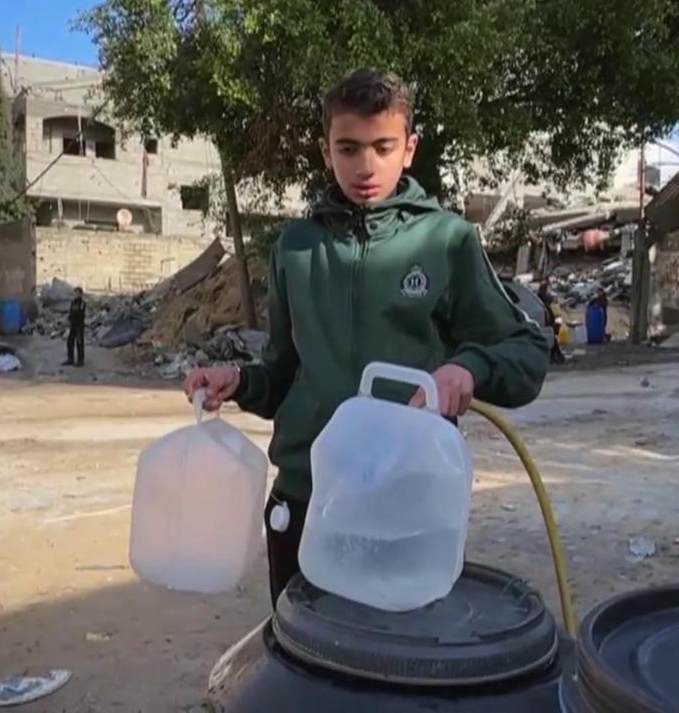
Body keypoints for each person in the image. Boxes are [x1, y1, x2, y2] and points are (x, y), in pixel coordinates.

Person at [181, 69, 549, 606]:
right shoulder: (295, 249)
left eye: (383, 146)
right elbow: (284, 374)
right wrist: (237, 381)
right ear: (326, 150)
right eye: (348, 148)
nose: (366, 166)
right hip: (305, 501)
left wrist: (466, 369)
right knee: (308, 668)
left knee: (400, 674)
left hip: (405, 509)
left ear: (410, 148)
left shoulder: (447, 241)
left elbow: (527, 354)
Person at [64, 287, 86, 367]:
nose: (75, 295)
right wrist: (68, 320)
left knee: (79, 343)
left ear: (80, 294)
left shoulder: (82, 303)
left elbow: (80, 313)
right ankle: (70, 359)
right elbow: (71, 312)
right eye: (75, 293)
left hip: (79, 326)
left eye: (77, 293)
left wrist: (74, 315)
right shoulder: (73, 302)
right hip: (72, 325)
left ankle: (80, 361)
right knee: (70, 342)